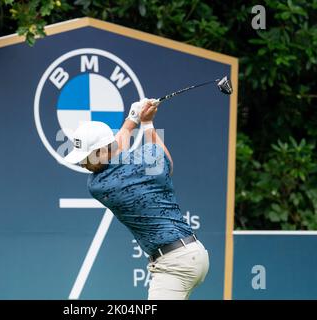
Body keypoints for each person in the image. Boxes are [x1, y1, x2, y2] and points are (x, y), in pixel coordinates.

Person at [64, 98, 209, 300]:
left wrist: (132, 121)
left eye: (86, 156)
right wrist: (146, 123)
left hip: (174, 265)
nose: (82, 163)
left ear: (102, 150)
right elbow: (167, 162)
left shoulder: (99, 183)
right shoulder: (143, 163)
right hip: (193, 253)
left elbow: (116, 148)